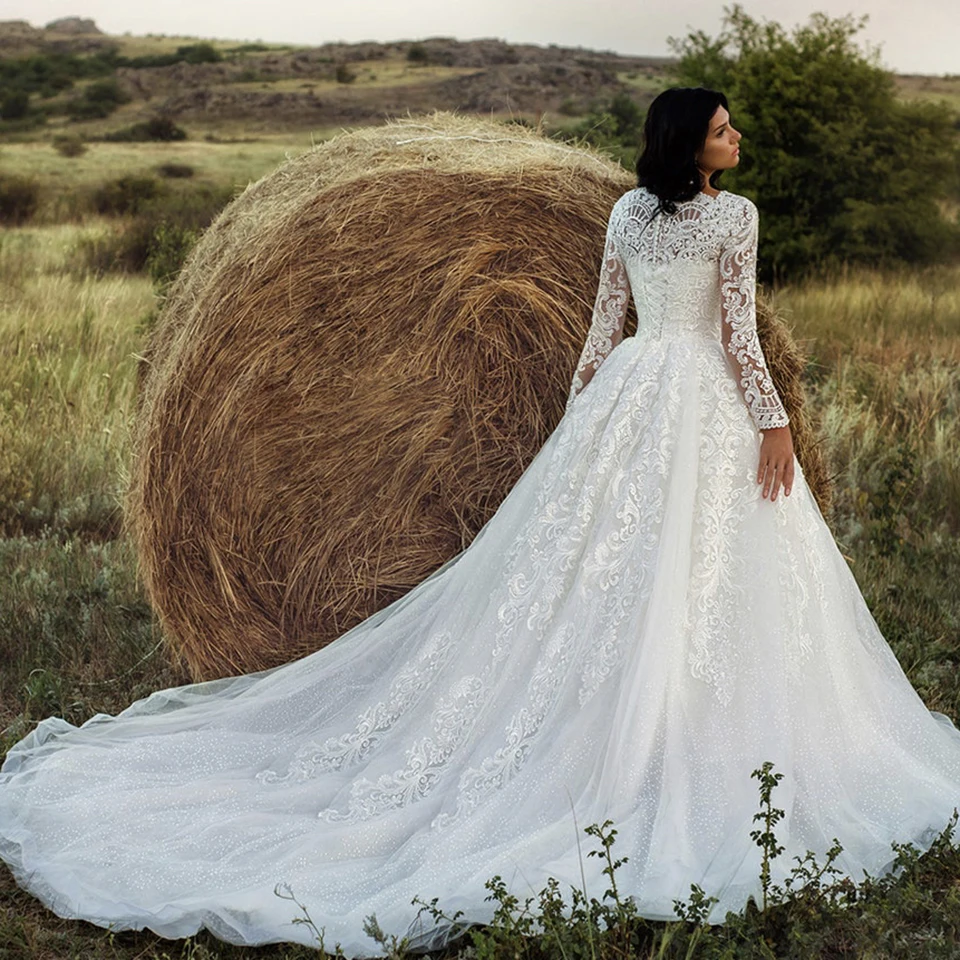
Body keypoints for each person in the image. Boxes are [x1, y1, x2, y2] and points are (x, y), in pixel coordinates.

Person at [1, 86, 959, 956]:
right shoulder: (732, 218)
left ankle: (639, 720)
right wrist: (775, 423)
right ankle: (663, 737)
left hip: (632, 391)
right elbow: (740, 337)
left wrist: (584, 434)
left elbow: (598, 331)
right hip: (700, 394)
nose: (735, 136)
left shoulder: (628, 213)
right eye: (720, 128)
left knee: (615, 566)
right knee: (692, 567)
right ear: (689, 145)